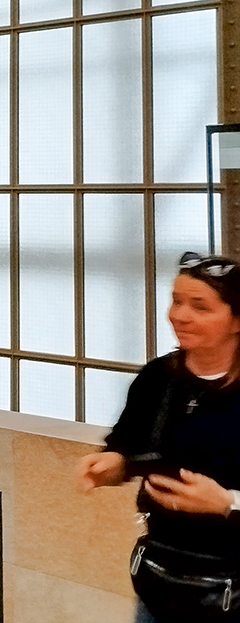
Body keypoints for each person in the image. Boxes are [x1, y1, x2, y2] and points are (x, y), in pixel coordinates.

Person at [79, 252, 240, 622]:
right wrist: (113, 464)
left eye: (200, 307)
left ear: (236, 320)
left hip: (231, 588)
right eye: (176, 301)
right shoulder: (158, 378)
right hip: (160, 580)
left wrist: (226, 502)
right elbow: (128, 445)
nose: (179, 315)